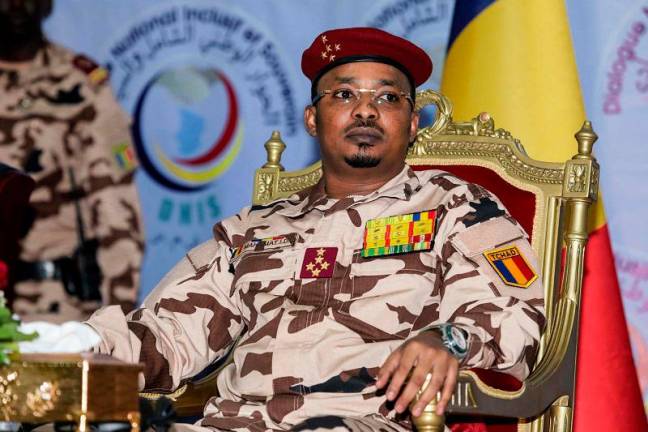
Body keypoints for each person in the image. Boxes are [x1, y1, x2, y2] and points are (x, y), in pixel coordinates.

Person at [86, 28, 545, 431]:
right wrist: (83, 345)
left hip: (369, 421)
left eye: (387, 97)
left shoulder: (458, 206)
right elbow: (168, 333)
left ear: (411, 123)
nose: (366, 111)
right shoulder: (256, 226)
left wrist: (447, 339)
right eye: (344, 95)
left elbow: (518, 320)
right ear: (312, 119)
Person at [0, 0, 144, 322]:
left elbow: (115, 207)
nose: (15, 5)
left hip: (51, 307)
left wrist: (117, 324)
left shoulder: (79, 82)